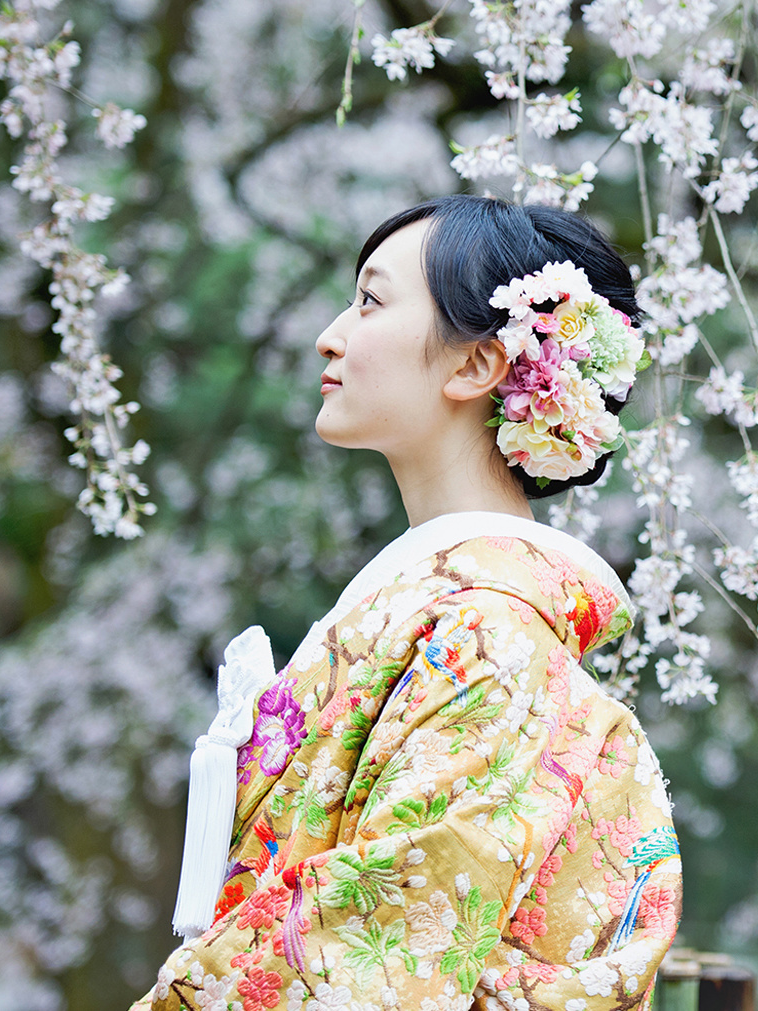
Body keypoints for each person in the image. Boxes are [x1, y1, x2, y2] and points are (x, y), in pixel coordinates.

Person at [138, 196, 681, 1011]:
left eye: (370, 301)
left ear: (475, 366)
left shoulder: (489, 633)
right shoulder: (451, 611)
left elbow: (375, 949)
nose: (331, 333)